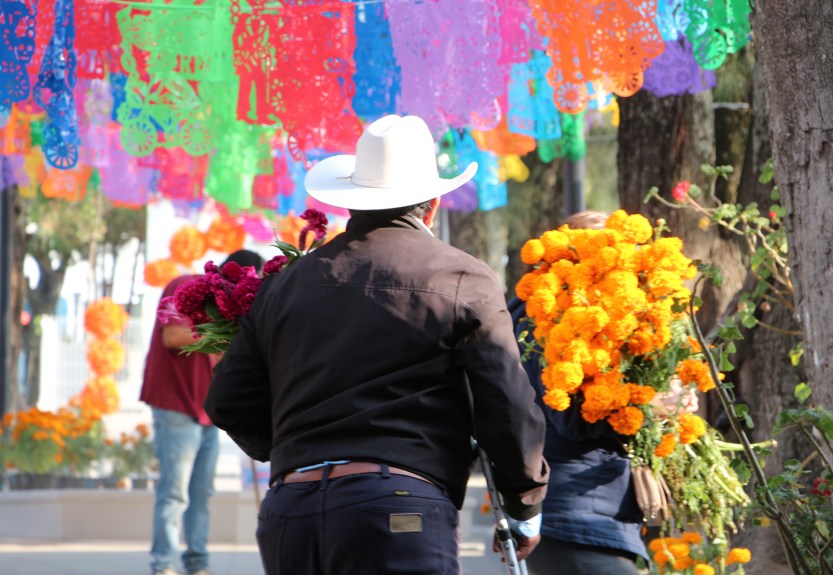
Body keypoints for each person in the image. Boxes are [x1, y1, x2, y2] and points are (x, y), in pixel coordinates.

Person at [204, 114, 549, 575]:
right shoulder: (462, 278)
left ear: (352, 203)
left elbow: (228, 400)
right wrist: (524, 505)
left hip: (293, 507)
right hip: (400, 505)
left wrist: (298, 450)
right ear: (432, 205)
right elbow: (506, 403)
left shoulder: (287, 283)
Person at [509, 211, 698, 575]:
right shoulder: (550, 322)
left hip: (583, 511)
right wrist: (652, 404)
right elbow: (569, 416)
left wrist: (666, 402)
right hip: (578, 516)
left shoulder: (555, 318)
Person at [141, 249, 263, 575]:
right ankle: (162, 565)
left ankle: (197, 564)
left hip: (207, 409)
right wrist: (225, 333)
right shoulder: (183, 285)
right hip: (176, 405)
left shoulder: (232, 310)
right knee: (174, 493)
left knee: (201, 494)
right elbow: (173, 336)